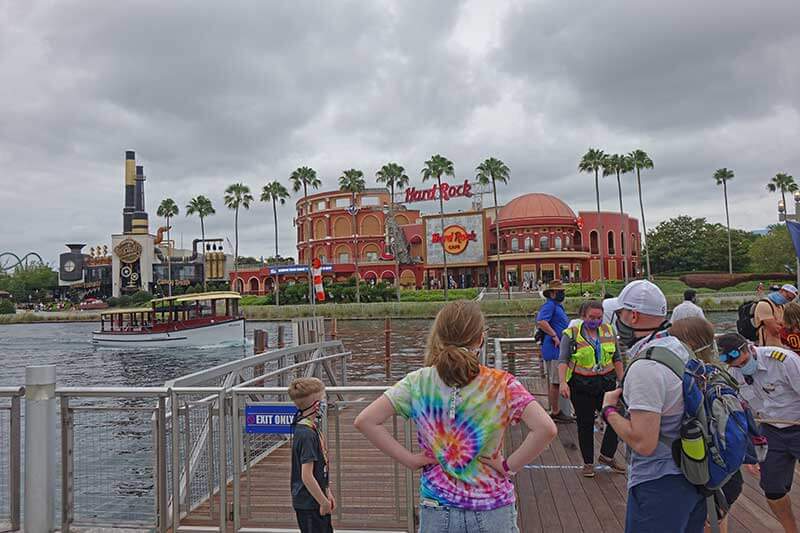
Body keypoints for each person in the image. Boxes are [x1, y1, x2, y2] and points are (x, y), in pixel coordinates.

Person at [354, 301, 557, 533]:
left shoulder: (418, 381)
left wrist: (410, 459)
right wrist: (509, 466)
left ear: (439, 337)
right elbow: (545, 429)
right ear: (480, 339)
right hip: (492, 506)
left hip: (437, 506)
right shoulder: (502, 384)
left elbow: (366, 420)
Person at [601, 280, 707, 533]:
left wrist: (609, 411)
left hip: (660, 482)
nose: (615, 320)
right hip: (691, 472)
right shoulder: (677, 347)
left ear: (633, 316)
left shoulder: (646, 367)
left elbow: (643, 442)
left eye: (619, 313)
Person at [717, 333, 800, 533]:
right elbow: (743, 414)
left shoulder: (783, 361)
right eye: (736, 366)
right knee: (773, 490)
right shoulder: (734, 373)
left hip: (797, 424)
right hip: (771, 430)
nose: (742, 368)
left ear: (750, 348)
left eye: (744, 362)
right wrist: (749, 451)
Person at [668, 318, 744, 533]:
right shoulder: (718, 373)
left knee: (705, 519)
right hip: (726, 468)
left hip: (706, 468)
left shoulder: (691, 377)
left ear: (687, 344)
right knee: (717, 517)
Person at [557, 300, 625, 477]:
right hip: (582, 385)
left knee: (616, 418)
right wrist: (563, 383)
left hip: (606, 384)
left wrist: (623, 381)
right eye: (592, 317)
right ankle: (588, 463)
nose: (596, 321)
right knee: (585, 424)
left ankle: (607, 454)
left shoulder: (609, 331)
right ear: (583, 317)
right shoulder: (571, 334)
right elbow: (563, 360)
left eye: (599, 317)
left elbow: (617, 358)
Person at [288, 377, 335, 533]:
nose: (325, 403)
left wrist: (327, 491)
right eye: (323, 399)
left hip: (316, 499)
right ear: (316, 405)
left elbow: (320, 469)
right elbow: (306, 475)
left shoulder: (309, 428)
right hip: (310, 504)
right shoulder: (307, 435)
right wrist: (323, 502)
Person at [536, 280, 573, 422]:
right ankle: (556, 411)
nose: (562, 294)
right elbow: (541, 321)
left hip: (560, 349)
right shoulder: (549, 305)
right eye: (559, 292)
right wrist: (554, 336)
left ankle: (558, 410)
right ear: (552, 293)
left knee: (559, 380)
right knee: (556, 381)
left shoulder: (557, 306)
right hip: (554, 349)